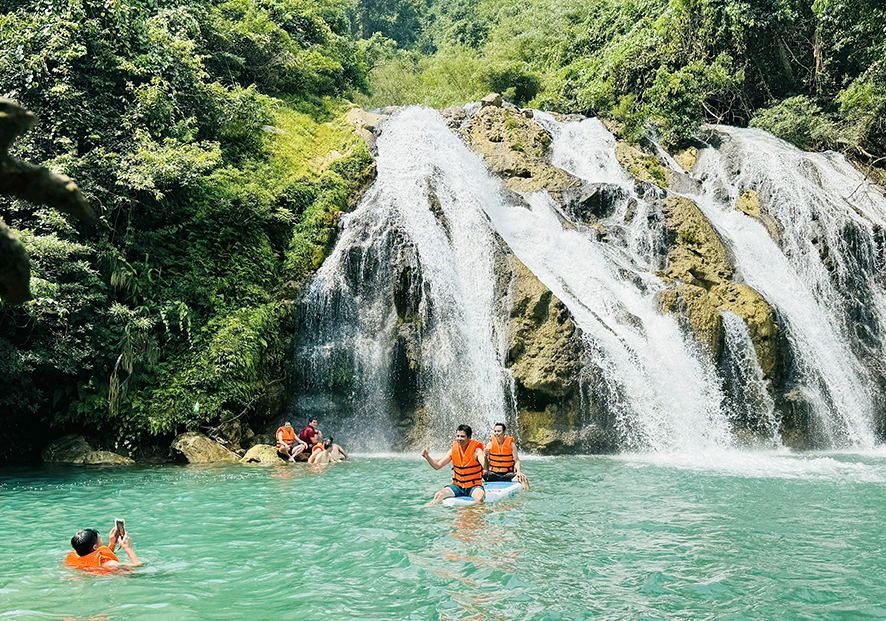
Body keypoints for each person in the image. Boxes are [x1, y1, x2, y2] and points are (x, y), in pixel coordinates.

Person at [422, 424, 487, 504]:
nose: (459, 439)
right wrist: (427, 457)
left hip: (474, 486)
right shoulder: (453, 450)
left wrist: (486, 456)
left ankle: (475, 513)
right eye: (458, 436)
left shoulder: (477, 451)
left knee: (479, 498)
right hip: (458, 486)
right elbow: (437, 466)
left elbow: (485, 466)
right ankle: (427, 509)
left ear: (469, 437)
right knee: (438, 495)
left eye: (462, 436)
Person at [65, 525, 141, 570]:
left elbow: (97, 558)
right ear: (95, 547)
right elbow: (138, 567)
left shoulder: (77, 556)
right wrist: (128, 548)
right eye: (100, 538)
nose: (102, 540)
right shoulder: (108, 564)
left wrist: (112, 544)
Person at [484, 422, 530, 491]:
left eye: (499, 431)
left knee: (523, 478)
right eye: (495, 431)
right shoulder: (490, 444)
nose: (496, 433)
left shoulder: (511, 444)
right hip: (494, 474)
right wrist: (485, 457)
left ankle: (525, 498)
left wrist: (518, 472)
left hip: (507, 474)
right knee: (477, 476)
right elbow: (486, 463)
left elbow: (517, 460)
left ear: (504, 433)